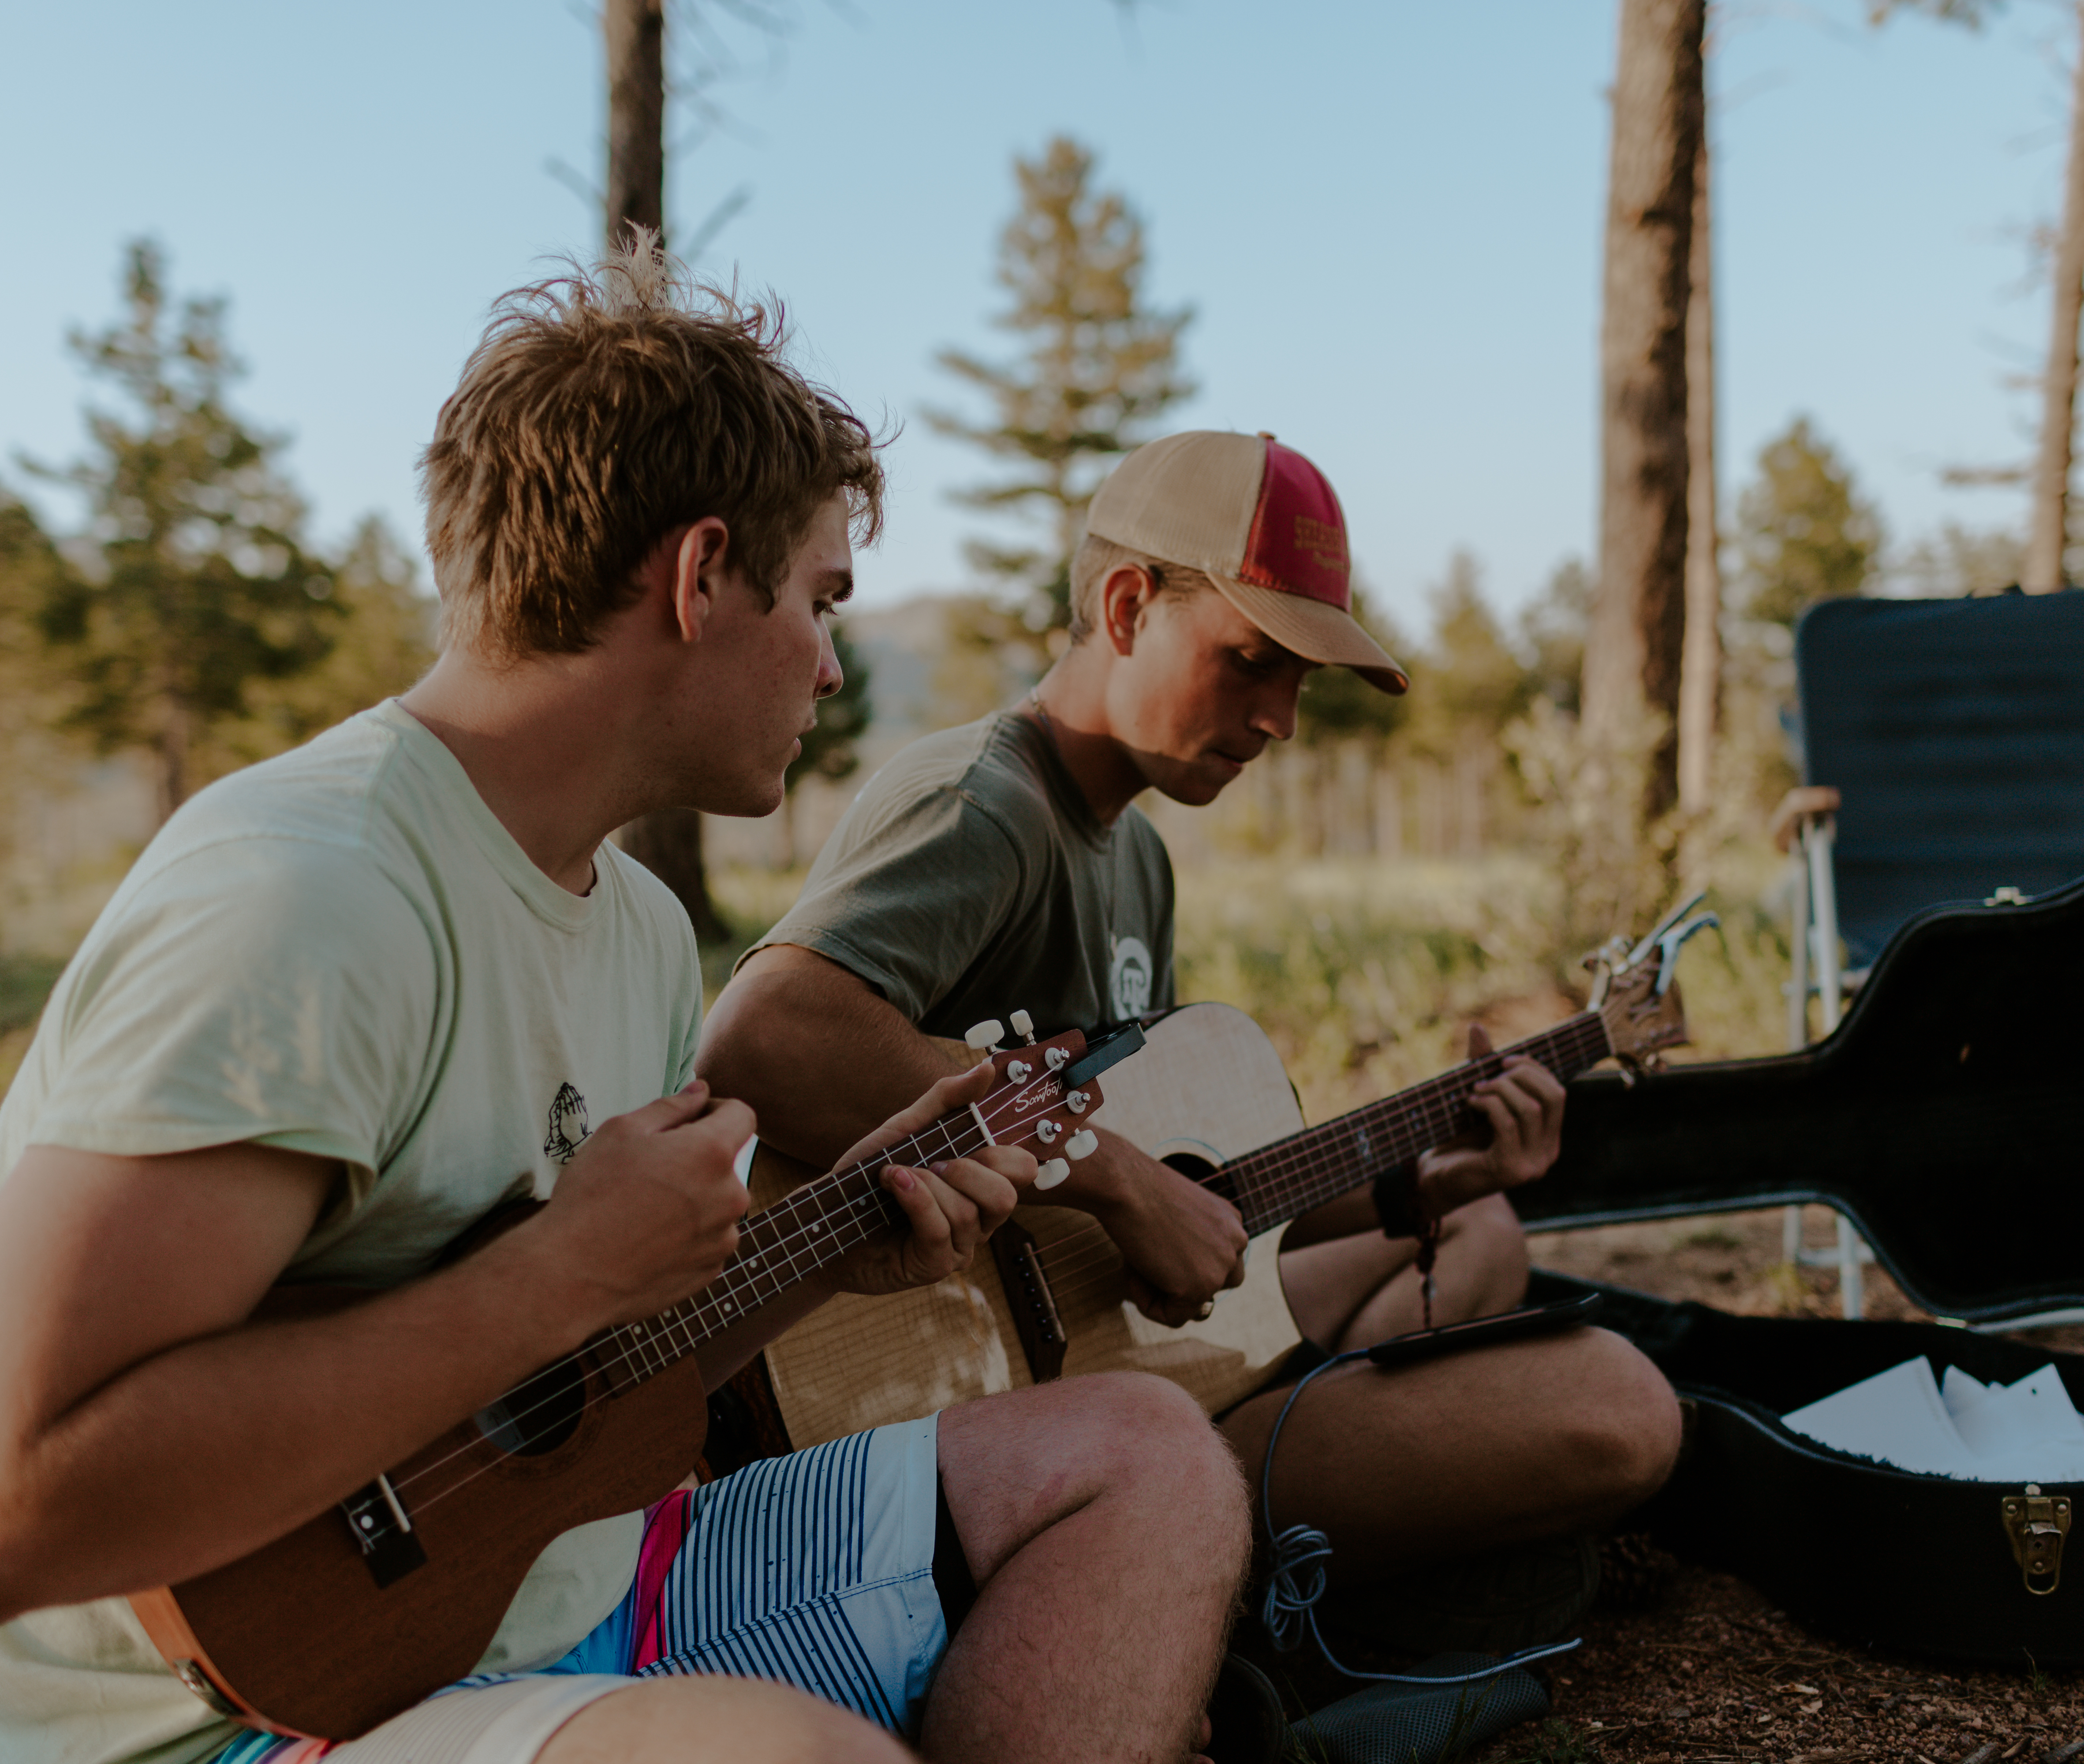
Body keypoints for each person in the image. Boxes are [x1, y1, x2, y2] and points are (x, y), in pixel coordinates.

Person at [0, 247, 1249, 1764]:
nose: (828, 667)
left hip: (569, 1592)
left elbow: (564, 1391)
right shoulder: (308, 897)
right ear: (696, 575)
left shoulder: (640, 926)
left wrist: (837, 1240)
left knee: (1148, 1459)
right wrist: (553, 1277)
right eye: (817, 599)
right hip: (232, 1720)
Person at [699, 429, 1683, 1658]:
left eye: (1300, 682)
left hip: (1115, 1342)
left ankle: (1238, 1534)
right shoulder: (983, 803)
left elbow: (1197, 1189)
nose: (1277, 718)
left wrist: (1421, 1173)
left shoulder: (1137, 857)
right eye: (1252, 662)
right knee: (1617, 1411)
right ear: (1124, 605)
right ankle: (1179, 1557)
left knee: (1473, 1233)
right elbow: (761, 1034)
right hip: (950, 1400)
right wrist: (1116, 1182)